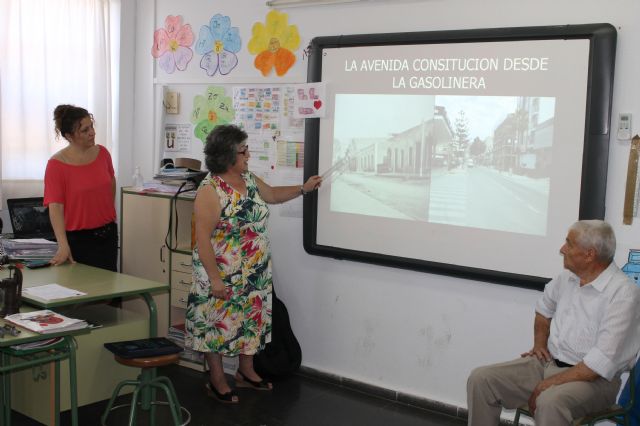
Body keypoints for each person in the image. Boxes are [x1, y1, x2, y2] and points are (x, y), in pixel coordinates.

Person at [185, 124, 322, 404]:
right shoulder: (210, 190)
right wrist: (214, 280)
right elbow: (202, 240)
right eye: (243, 150)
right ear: (226, 156)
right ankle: (217, 379)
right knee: (217, 326)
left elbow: (271, 195)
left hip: (253, 271)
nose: (248, 154)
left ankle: (246, 372)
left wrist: (303, 189)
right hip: (221, 273)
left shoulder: (247, 178)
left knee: (251, 323)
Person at [467, 220, 640, 425]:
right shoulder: (567, 278)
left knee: (549, 402)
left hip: (595, 381)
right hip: (549, 364)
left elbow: (596, 366)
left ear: (590, 254)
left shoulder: (624, 295)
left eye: (569, 244)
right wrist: (539, 345)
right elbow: (543, 309)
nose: (562, 249)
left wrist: (545, 385)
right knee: (481, 379)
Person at [44, 104, 118, 271]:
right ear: (69, 136)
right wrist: (63, 245)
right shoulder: (56, 165)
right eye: (85, 130)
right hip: (78, 241)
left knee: (110, 291)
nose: (92, 132)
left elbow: (111, 183)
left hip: (107, 235)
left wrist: (105, 213)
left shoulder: (103, 154)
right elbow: (55, 207)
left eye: (91, 126)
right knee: (84, 293)